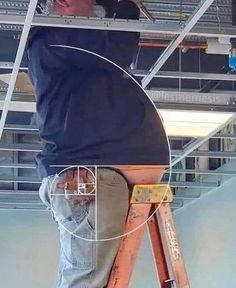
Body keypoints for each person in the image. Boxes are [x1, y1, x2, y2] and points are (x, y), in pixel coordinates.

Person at [27, 0, 169, 287]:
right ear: (63, 2)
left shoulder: (72, 43)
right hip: (89, 179)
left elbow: (117, 47)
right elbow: (118, 51)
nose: (96, 5)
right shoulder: (56, 38)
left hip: (93, 179)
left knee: (87, 281)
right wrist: (125, 8)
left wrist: (122, 8)